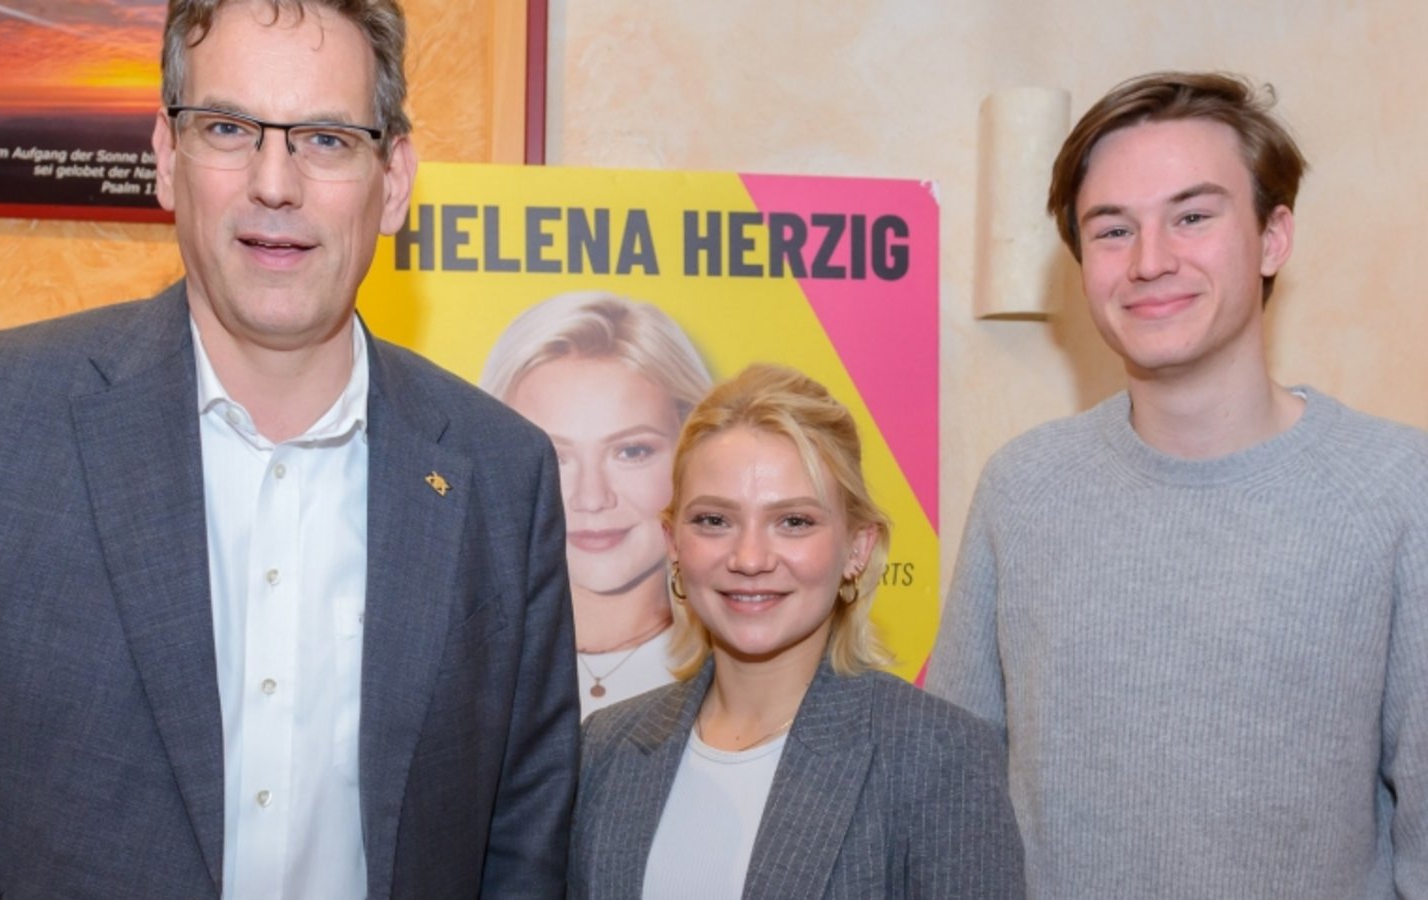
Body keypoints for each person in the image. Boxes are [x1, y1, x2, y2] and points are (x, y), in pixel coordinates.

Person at [0, 1, 577, 897]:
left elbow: (524, 851)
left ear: (394, 180)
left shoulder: (504, 474)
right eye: (227, 128)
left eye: (327, 139)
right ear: (166, 157)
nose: (275, 184)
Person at [928, 71, 1428, 898]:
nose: (1151, 261)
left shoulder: (1400, 490)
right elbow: (953, 799)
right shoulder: (1023, 489)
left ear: (1273, 238)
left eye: (1193, 216)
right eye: (1113, 230)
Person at [571, 364, 1025, 899]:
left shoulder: (938, 754)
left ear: (857, 548)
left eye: (793, 522)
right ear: (672, 543)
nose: (749, 558)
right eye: (714, 520)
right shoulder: (605, 746)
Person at [482, 292, 711, 717]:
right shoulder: (455, 671)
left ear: (693, 453)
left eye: (631, 451)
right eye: (553, 456)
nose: (592, 498)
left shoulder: (751, 672)